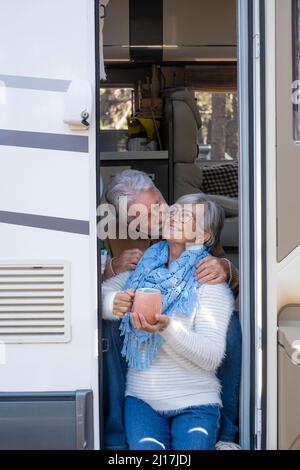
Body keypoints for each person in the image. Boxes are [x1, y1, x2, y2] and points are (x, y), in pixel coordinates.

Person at [101, 170, 241, 450]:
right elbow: (99, 288)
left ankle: (227, 433)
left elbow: (221, 270)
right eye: (142, 218)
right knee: (108, 332)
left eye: (158, 206)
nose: (159, 218)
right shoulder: (117, 237)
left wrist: (226, 269)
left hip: (186, 328)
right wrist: (111, 268)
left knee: (231, 329)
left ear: (161, 193)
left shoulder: (187, 213)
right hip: (141, 328)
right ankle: (116, 435)